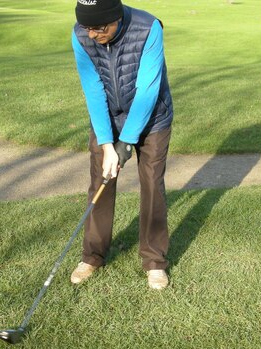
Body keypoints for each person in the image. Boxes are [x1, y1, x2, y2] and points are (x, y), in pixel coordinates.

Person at [70, 0, 174, 289]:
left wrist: (126, 143)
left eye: (98, 27)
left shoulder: (148, 28)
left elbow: (147, 90)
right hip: (108, 118)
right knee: (101, 179)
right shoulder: (81, 35)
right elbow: (93, 88)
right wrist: (106, 144)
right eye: (86, 27)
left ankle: (154, 261)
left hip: (153, 117)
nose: (92, 34)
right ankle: (92, 256)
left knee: (152, 183)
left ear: (116, 18)